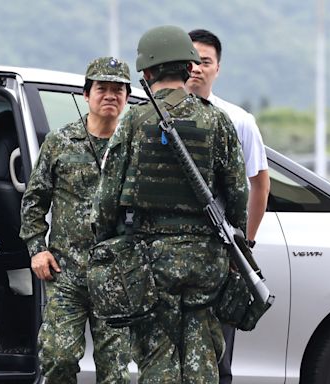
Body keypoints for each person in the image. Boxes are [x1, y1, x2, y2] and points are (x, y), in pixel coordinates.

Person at [91, 25, 248, 383]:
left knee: (157, 359)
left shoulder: (133, 120)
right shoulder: (217, 120)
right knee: (202, 358)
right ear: (189, 68)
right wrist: (235, 247)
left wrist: (104, 243)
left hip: (149, 261)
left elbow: (106, 197)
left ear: (147, 73)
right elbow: (238, 194)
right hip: (205, 262)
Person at [19, 56, 132, 384]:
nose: (110, 95)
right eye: (102, 88)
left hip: (117, 275)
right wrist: (37, 249)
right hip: (66, 272)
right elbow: (33, 201)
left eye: (118, 90)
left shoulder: (133, 146)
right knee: (59, 357)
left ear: (126, 98)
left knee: (117, 372)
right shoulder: (60, 141)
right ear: (86, 95)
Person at [186, 28, 271, 384]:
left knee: (217, 356)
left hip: (218, 256)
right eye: (190, 60)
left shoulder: (238, 121)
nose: (196, 68)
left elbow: (260, 183)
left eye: (205, 61)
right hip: (162, 254)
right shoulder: (150, 117)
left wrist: (244, 245)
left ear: (217, 68)